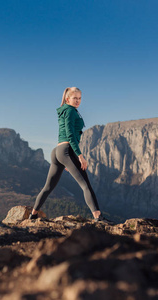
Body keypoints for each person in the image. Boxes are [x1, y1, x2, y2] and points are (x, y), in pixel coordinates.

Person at [29, 87, 112, 224]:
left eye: (80, 98)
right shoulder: (70, 111)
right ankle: (98, 217)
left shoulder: (64, 110)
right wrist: (79, 156)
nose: (78, 101)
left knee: (48, 187)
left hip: (57, 151)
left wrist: (66, 161)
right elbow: (70, 135)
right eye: (75, 98)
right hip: (66, 150)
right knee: (85, 185)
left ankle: (32, 215)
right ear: (68, 99)